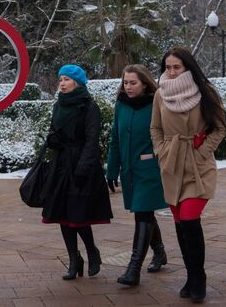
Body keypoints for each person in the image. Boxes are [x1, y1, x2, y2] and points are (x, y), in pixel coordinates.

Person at [150, 47, 226, 303]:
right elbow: (155, 128)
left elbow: (220, 127)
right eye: (168, 67)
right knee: (180, 223)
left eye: (176, 67)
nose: (171, 72)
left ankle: (199, 278)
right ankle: (191, 276)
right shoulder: (160, 94)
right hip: (171, 166)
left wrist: (203, 152)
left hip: (198, 166)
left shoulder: (206, 91)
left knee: (190, 218)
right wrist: (162, 151)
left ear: (188, 67)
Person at [42, 64, 113, 280]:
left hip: (82, 165)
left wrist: (84, 166)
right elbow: (55, 131)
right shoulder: (58, 106)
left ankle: (92, 250)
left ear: (78, 82)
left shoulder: (89, 106)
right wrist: (53, 139)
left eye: (66, 79)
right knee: (63, 215)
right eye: (60, 79)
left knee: (79, 215)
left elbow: (92, 140)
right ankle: (74, 259)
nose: (61, 83)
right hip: (61, 164)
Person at [106, 65, 168, 286]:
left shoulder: (156, 104)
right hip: (129, 171)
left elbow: (165, 135)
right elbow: (115, 138)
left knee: (142, 213)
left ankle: (133, 269)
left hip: (150, 170)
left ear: (145, 83)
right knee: (144, 213)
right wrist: (111, 169)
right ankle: (159, 252)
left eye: (133, 83)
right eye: (125, 82)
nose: (128, 87)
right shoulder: (121, 105)